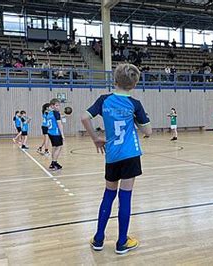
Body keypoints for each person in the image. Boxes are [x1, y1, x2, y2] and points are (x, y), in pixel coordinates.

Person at [81, 63, 152, 255]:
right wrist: (137, 119)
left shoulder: (104, 100)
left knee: (108, 195)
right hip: (130, 155)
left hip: (111, 156)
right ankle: (122, 242)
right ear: (134, 84)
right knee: (125, 197)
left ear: (115, 80)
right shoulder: (135, 104)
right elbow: (148, 132)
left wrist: (96, 139)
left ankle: (98, 239)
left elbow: (84, 118)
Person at [47, 98, 65, 170]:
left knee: (54, 147)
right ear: (52, 106)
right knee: (59, 147)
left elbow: (56, 118)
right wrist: (62, 135)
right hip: (56, 133)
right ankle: (54, 163)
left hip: (50, 132)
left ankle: (53, 162)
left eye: (58, 105)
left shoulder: (49, 113)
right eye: (56, 105)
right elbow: (59, 124)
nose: (58, 107)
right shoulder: (56, 113)